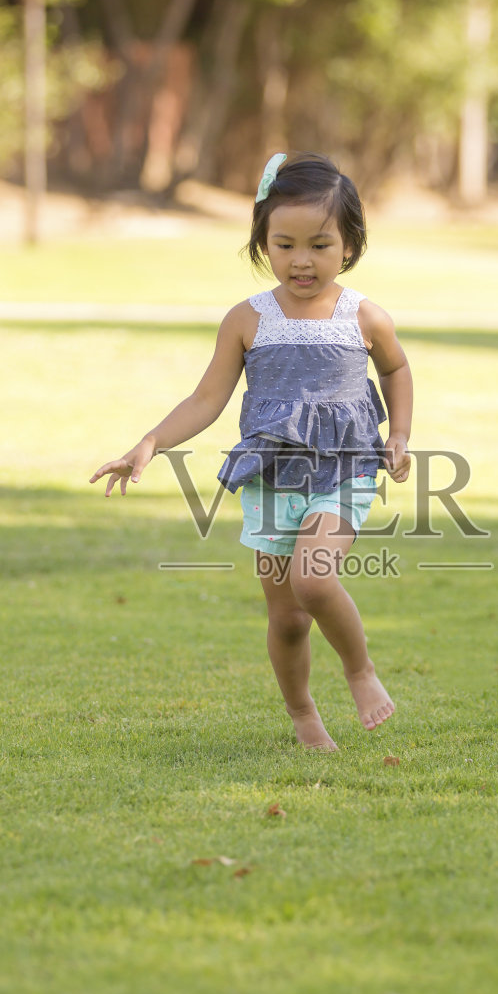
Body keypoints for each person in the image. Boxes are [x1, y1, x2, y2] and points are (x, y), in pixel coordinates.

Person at [90, 151, 413, 750]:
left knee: (314, 581)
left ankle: (360, 670)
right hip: (271, 478)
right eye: (284, 245)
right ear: (264, 243)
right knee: (287, 618)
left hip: (343, 470)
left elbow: (395, 370)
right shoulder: (247, 320)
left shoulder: (365, 317)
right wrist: (150, 443)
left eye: (319, 245)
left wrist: (398, 435)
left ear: (349, 244)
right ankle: (302, 714)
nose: (301, 260)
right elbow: (206, 398)